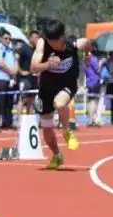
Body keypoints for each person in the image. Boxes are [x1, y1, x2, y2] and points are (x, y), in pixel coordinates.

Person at [29, 20, 86, 170]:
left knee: (59, 103)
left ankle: (67, 131)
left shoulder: (73, 44)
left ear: (62, 37)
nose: (52, 44)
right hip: (46, 88)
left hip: (67, 84)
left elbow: (88, 42)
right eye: (49, 41)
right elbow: (33, 68)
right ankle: (57, 155)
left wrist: (88, 54)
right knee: (47, 128)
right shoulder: (42, 43)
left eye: (55, 41)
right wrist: (47, 64)